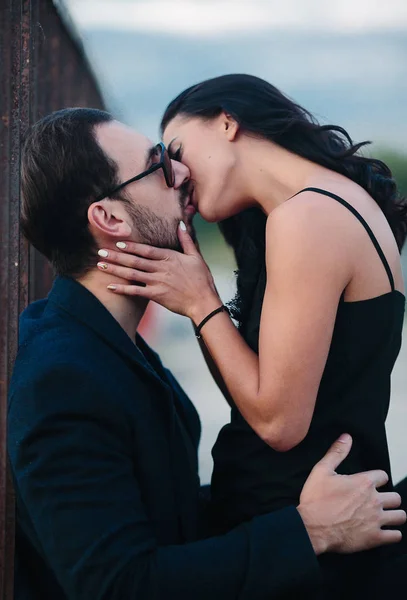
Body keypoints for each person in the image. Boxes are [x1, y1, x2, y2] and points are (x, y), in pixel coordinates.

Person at [7, 108, 405, 600]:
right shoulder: (62, 375)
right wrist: (309, 531)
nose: (181, 173)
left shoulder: (105, 346)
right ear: (108, 218)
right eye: (158, 165)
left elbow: (162, 520)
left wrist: (312, 509)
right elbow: (118, 586)